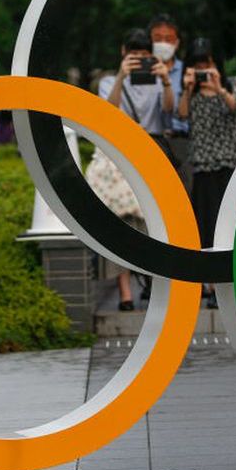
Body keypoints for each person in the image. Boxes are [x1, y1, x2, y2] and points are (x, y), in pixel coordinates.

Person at [94, 29, 174, 311]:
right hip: (120, 155)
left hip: (150, 154)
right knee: (121, 224)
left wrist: (165, 81)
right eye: (133, 55)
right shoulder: (108, 81)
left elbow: (169, 111)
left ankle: (152, 282)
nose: (139, 60)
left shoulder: (156, 80)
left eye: (143, 55)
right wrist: (120, 77)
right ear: (123, 53)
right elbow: (108, 111)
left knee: (154, 222)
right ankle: (125, 292)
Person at [178, 38, 236, 309]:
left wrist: (219, 88)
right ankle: (210, 285)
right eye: (197, 66)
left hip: (233, 166)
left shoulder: (231, 84)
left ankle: (233, 281)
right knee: (206, 228)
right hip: (205, 167)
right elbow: (182, 115)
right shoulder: (192, 91)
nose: (202, 71)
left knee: (233, 227)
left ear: (215, 63)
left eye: (205, 64)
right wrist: (187, 88)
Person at [148, 13, 192, 193]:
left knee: (185, 196)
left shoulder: (186, 71)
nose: (163, 43)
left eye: (168, 39)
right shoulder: (141, 70)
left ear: (177, 43)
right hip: (152, 142)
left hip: (182, 143)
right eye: (157, 38)